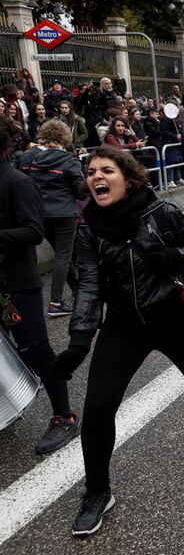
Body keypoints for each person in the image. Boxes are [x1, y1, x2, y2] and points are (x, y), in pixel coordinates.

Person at [53, 146, 184, 536]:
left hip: (173, 316)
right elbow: (88, 283)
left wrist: (166, 257)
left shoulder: (161, 212)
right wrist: (79, 341)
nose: (97, 176)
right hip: (124, 325)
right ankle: (98, 490)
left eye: (106, 170)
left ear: (128, 177)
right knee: (98, 407)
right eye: (91, 171)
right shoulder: (89, 227)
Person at [0, 115, 81, 454]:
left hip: (16, 286)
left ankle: (64, 416)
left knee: (36, 349)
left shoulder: (18, 182)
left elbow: (33, 231)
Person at [17, 120, 84, 316]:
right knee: (63, 256)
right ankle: (55, 302)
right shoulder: (70, 159)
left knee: (64, 255)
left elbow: (23, 184)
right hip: (63, 214)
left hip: (36, 213)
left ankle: (78, 291)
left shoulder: (27, 157)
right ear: (64, 137)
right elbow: (80, 192)